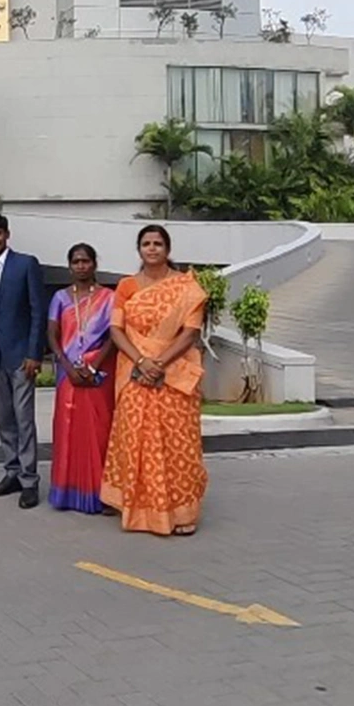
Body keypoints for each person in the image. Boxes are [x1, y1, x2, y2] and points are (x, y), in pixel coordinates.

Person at [102, 225, 209, 537]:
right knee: (136, 441)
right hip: (135, 373)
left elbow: (190, 332)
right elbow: (116, 330)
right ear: (139, 250)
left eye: (157, 243)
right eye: (146, 243)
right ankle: (138, 508)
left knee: (179, 444)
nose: (152, 248)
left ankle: (182, 514)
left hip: (174, 374)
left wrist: (159, 363)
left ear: (167, 249)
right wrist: (142, 361)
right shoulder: (126, 286)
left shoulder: (185, 287)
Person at [0, 213, 49, 510]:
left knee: (24, 419)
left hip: (21, 356)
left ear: (6, 234)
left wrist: (34, 353)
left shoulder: (25, 264)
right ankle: (12, 471)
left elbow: (38, 311)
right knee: (4, 418)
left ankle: (29, 480)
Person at [47, 243, 117, 515]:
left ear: (94, 264)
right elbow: (52, 334)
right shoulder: (60, 298)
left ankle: (103, 495)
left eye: (85, 261)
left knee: (99, 432)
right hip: (68, 375)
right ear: (69, 266)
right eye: (75, 262)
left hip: (98, 374)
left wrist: (93, 366)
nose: (81, 266)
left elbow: (114, 335)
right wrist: (67, 366)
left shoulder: (109, 297)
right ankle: (68, 493)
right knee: (68, 431)